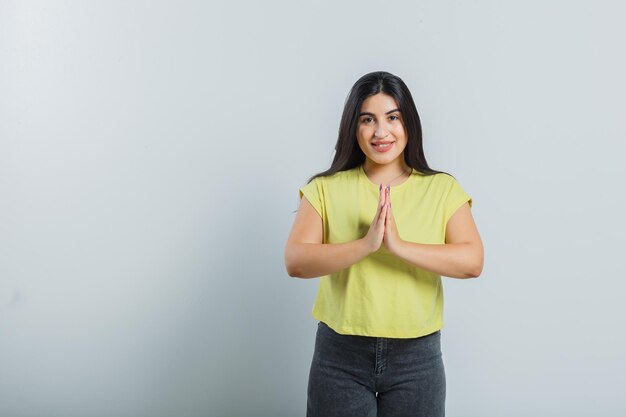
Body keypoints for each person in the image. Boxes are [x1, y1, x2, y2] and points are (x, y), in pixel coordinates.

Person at [284, 71, 484, 417]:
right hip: (340, 357)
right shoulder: (324, 189)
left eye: (393, 117)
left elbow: (472, 261)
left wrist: (398, 246)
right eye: (367, 120)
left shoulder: (442, 188)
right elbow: (296, 261)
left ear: (409, 123)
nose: (381, 132)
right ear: (353, 127)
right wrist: (366, 245)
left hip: (417, 359)